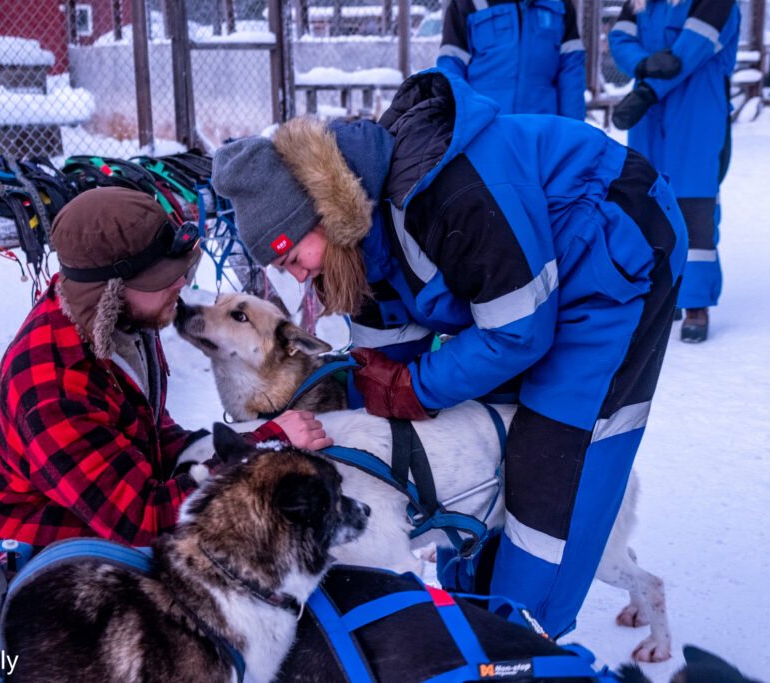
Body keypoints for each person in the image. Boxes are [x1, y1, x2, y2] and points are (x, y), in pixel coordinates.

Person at [209, 68, 687, 637]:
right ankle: (470, 622)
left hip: (612, 249)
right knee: (478, 428)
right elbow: (379, 375)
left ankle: (524, 638)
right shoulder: (357, 243)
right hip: (525, 288)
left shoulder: (451, 193)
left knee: (552, 461)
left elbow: (516, 335)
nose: (297, 276)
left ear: (321, 212)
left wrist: (417, 387)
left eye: (291, 256)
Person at [0, 187, 331, 549]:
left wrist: (225, 447)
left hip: (106, 513)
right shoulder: (54, 382)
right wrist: (262, 446)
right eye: (162, 277)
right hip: (28, 549)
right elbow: (145, 520)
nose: (181, 283)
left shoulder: (123, 319)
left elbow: (147, 431)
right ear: (110, 288)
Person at [608, 0, 740, 342]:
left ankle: (696, 302)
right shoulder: (640, 2)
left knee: (694, 205)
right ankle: (660, 294)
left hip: (697, 110)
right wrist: (642, 62)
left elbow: (686, 55)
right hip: (649, 116)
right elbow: (619, 38)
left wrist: (647, 91)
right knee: (646, 202)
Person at [436, 0, 586, 119]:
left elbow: (571, 73)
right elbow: (451, 71)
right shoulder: (467, 3)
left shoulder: (560, 4)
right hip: (484, 132)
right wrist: (452, 131)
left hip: (541, 134)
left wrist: (574, 134)